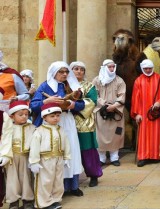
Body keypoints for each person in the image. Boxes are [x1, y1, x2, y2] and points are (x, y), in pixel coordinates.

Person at [30, 61, 85, 197]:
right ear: (54, 73)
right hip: (51, 123)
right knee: (55, 153)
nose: (65, 74)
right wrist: (46, 101)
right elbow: (34, 105)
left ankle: (73, 186)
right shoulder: (45, 86)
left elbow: (82, 104)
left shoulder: (72, 85)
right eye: (61, 72)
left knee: (71, 151)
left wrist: (72, 104)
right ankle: (58, 187)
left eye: (66, 72)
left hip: (67, 121)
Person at [29, 103, 71, 209]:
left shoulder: (61, 129)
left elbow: (66, 143)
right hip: (45, 160)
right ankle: (43, 202)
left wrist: (66, 157)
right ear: (44, 117)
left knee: (57, 181)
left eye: (57, 116)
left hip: (59, 159)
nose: (56, 118)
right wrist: (34, 162)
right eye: (52, 116)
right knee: (45, 182)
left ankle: (56, 200)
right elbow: (34, 147)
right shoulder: (39, 131)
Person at [131, 59, 160, 167]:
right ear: (142, 69)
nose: (148, 70)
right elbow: (135, 98)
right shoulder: (138, 81)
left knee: (157, 134)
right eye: (145, 68)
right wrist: (137, 113)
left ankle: (156, 156)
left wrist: (159, 102)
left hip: (156, 113)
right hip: (143, 113)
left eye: (149, 68)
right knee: (143, 135)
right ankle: (143, 157)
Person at [70, 61, 103, 187]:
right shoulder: (65, 85)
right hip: (69, 122)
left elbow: (92, 102)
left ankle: (93, 174)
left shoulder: (89, 86)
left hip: (84, 122)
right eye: (76, 69)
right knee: (71, 151)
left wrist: (75, 106)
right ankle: (72, 180)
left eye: (81, 69)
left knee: (87, 151)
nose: (79, 71)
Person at [0, 101, 35, 209]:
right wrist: (4, 155)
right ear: (12, 116)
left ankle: (27, 200)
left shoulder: (32, 127)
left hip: (26, 157)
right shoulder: (8, 128)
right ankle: (13, 201)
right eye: (20, 114)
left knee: (26, 179)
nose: (24, 117)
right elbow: (5, 141)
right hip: (12, 158)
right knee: (12, 180)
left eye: (26, 114)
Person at [92, 59, 126, 166]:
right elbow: (94, 95)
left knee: (115, 135)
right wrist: (104, 104)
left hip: (115, 111)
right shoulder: (97, 80)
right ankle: (101, 158)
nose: (111, 69)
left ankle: (114, 157)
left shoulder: (119, 81)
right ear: (104, 68)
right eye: (109, 67)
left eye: (113, 67)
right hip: (101, 111)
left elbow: (122, 95)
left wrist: (114, 106)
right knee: (100, 136)